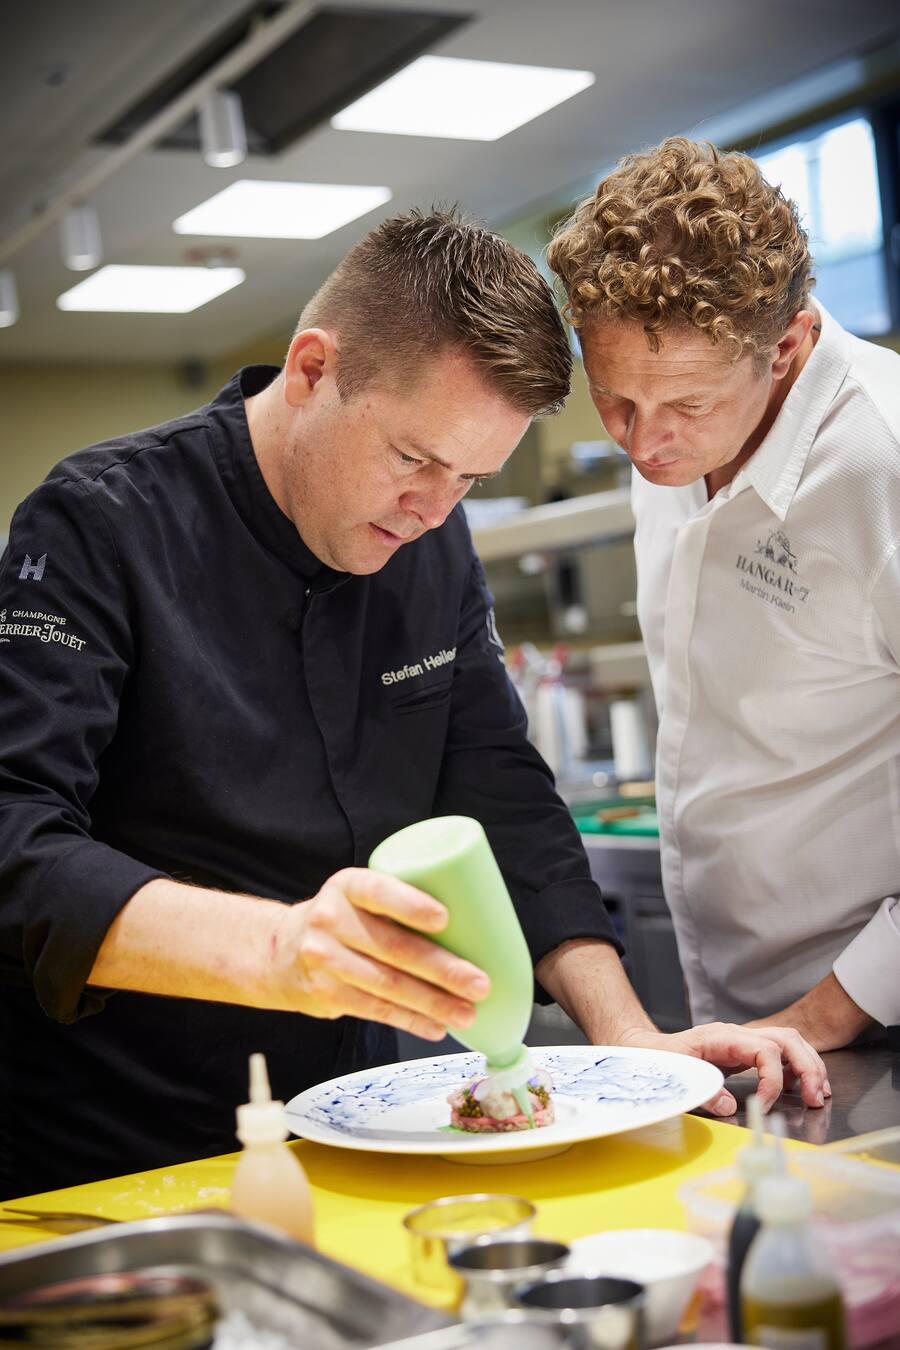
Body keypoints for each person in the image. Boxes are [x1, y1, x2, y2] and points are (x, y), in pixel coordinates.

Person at [0, 209, 826, 1199]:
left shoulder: (429, 540)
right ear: (312, 369)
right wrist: (281, 949)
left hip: (360, 1123)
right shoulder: (99, 522)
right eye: (415, 459)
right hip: (111, 1151)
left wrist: (630, 1044)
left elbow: (502, 793)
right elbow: (16, 840)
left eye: (470, 478)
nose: (436, 509)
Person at [548, 138, 900, 1051]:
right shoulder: (666, 433)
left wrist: (828, 1014)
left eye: (686, 407)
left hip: (870, 1024)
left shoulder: (883, 464)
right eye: (614, 399)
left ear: (784, 348)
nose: (643, 442)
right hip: (744, 1017)